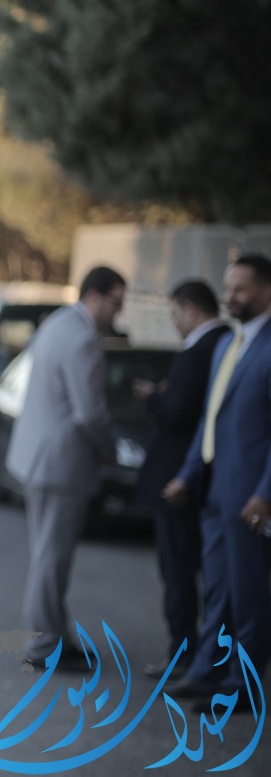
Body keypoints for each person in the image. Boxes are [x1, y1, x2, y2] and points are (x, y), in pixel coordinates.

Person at [162, 253, 271, 709]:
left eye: (240, 289)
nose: (230, 297)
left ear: (266, 290)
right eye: (228, 288)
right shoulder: (228, 343)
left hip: (250, 496)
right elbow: (210, 418)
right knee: (218, 590)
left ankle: (243, 687)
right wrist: (188, 473)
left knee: (248, 595)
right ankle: (208, 672)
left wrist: (265, 493)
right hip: (213, 489)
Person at [5, 266, 126, 666]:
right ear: (94, 296)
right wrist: (110, 452)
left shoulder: (58, 322)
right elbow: (89, 413)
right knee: (51, 560)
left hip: (37, 459)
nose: (119, 311)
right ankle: (44, 646)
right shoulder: (83, 338)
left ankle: (54, 637)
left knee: (46, 556)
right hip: (62, 464)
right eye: (116, 301)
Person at [132, 280, 229, 678]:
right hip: (199, 478)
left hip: (179, 480)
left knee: (178, 574)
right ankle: (204, 657)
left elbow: (178, 414)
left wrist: (154, 397)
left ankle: (184, 656)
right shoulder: (225, 344)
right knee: (205, 574)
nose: (173, 322)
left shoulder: (200, 350)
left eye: (174, 313)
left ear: (190, 309)